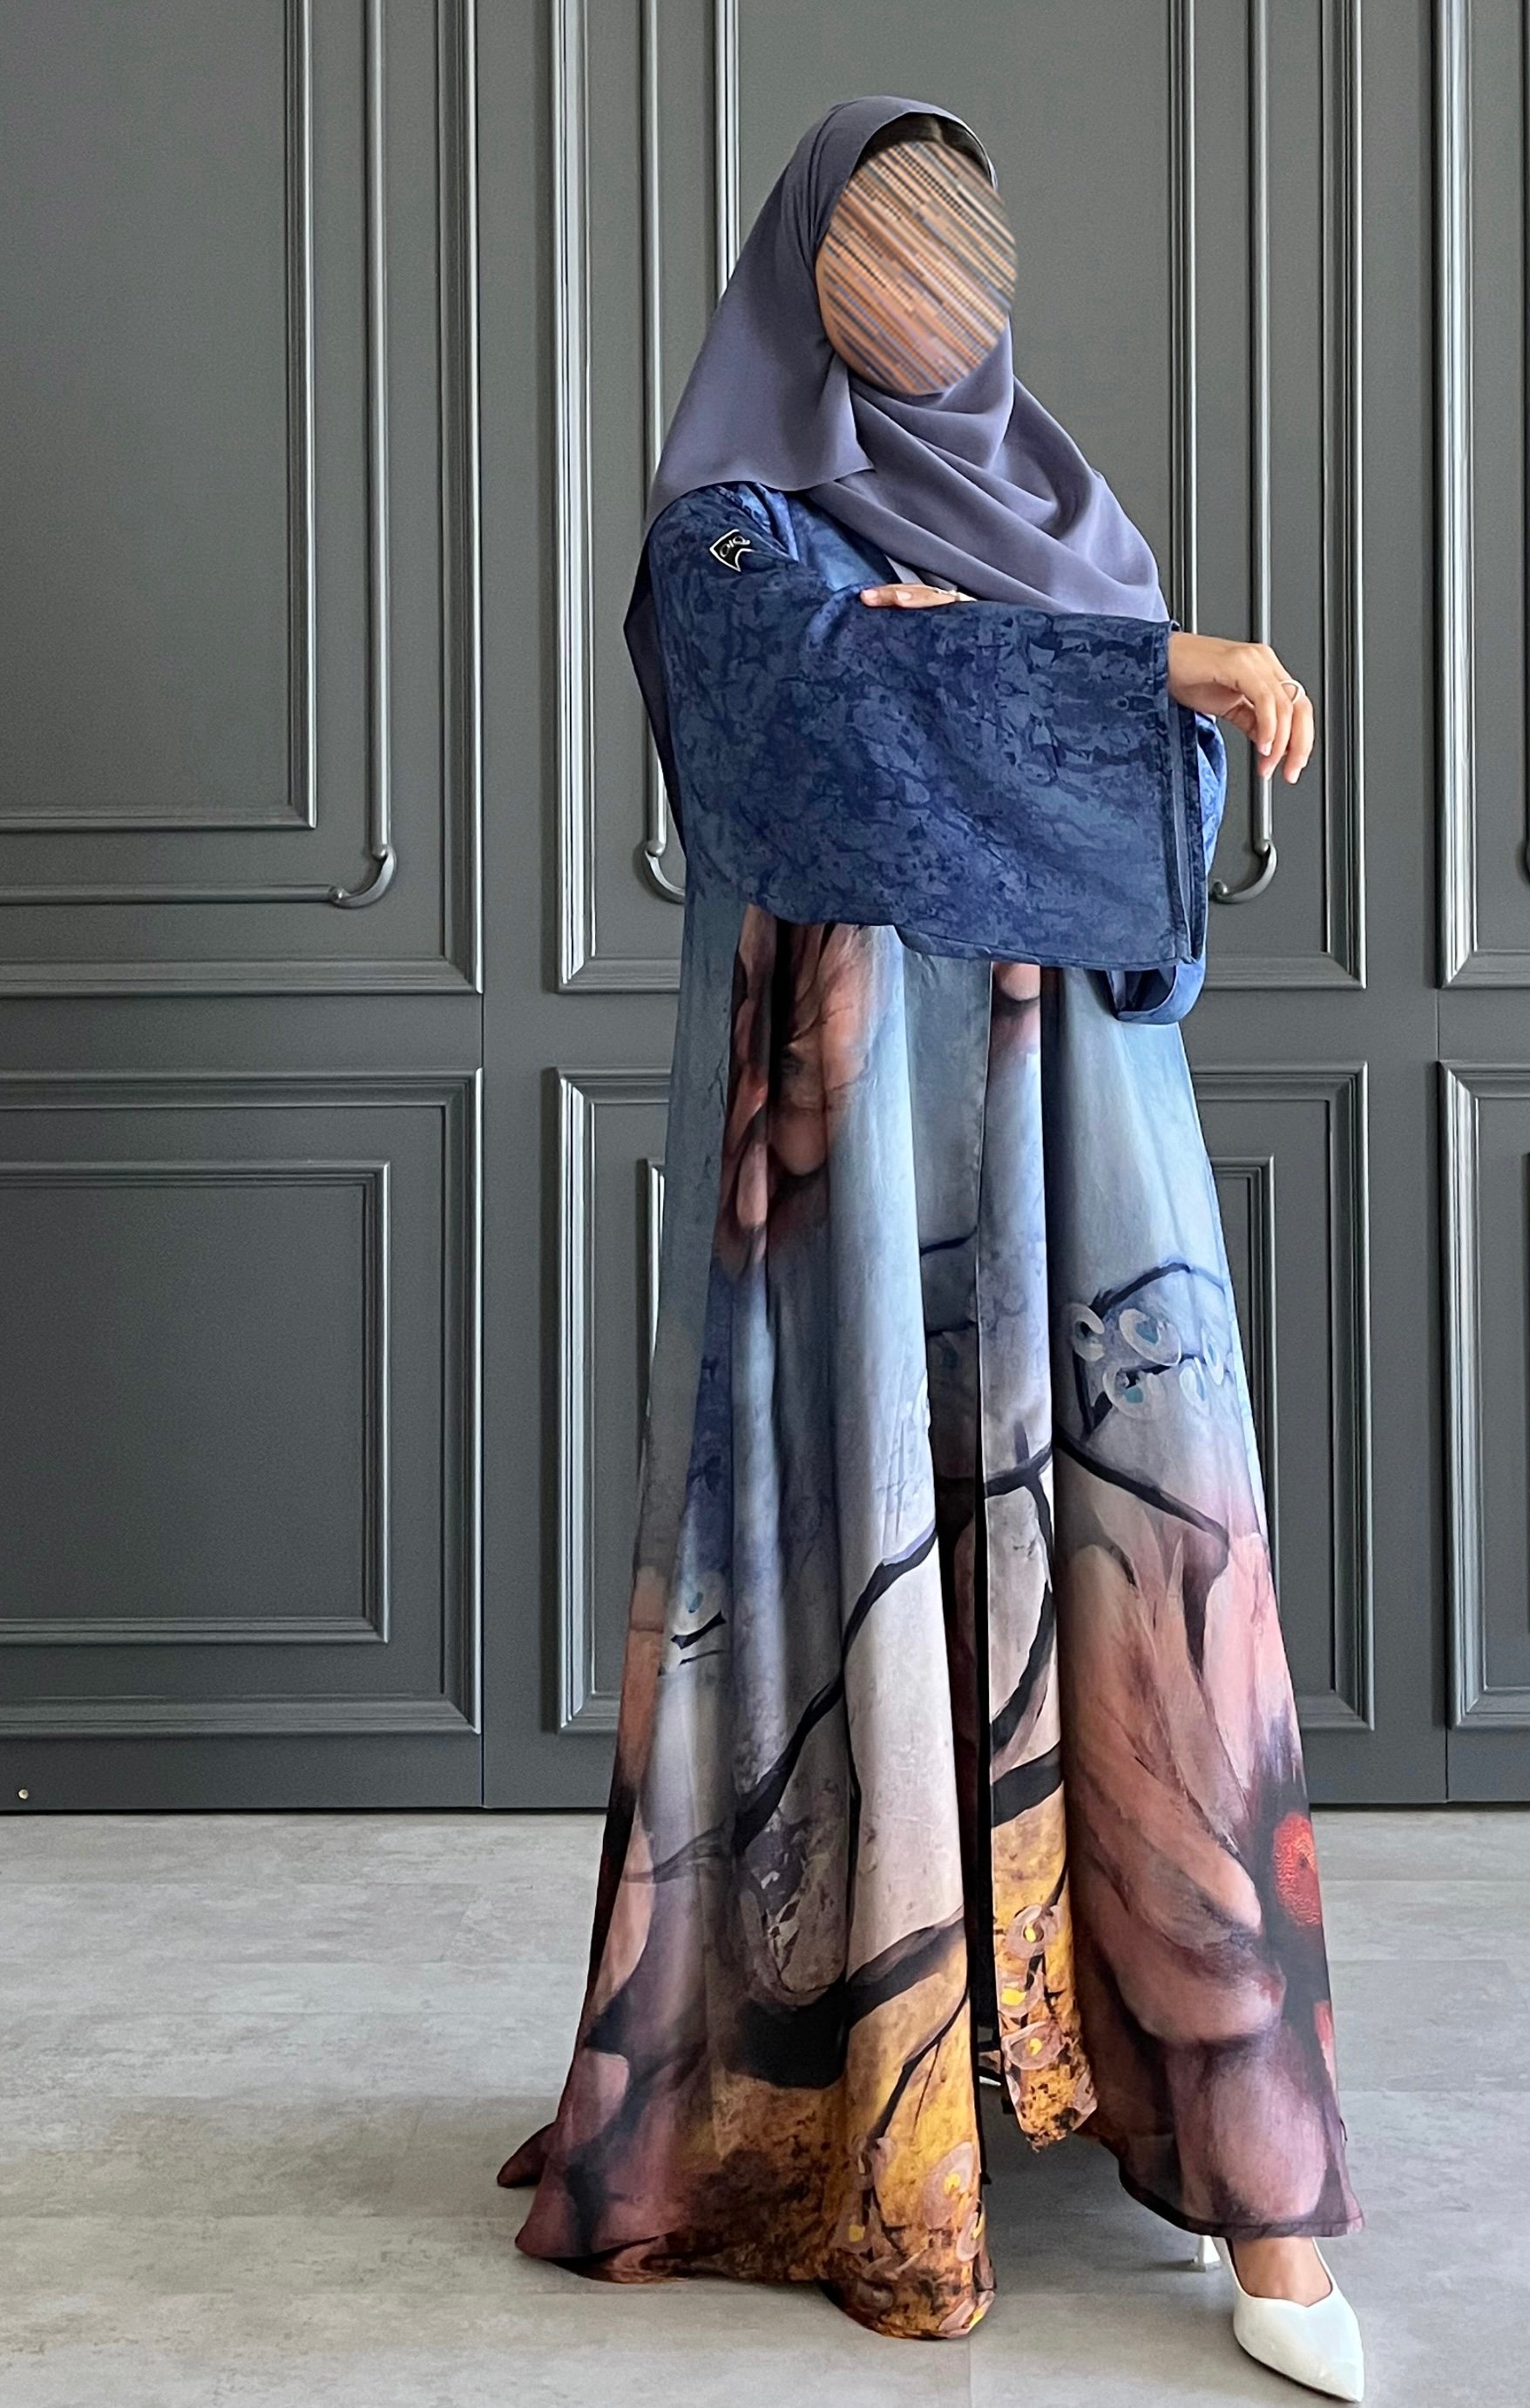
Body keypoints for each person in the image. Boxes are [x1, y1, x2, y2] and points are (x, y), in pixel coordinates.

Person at [499, 93, 1364, 2402]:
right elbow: (813, 746)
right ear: (801, 279)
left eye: (956, 254)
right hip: (858, 1148)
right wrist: (1135, 672)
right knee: (873, 1566)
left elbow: (1137, 806)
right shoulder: (729, 531)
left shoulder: (1054, 505)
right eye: (878, 256)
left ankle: (1254, 2184)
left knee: (1144, 1565)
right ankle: (883, 2118)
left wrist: (1076, 676)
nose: (926, 297)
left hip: (1083, 1124)